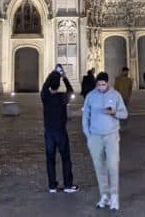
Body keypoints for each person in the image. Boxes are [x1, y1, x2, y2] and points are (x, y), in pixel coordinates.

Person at [82, 71, 127, 211]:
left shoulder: (115, 95)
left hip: (111, 136)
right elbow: (85, 116)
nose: (101, 87)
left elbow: (124, 114)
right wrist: (88, 135)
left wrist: (114, 112)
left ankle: (114, 196)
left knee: (113, 165)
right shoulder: (90, 96)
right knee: (99, 166)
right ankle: (104, 195)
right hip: (95, 137)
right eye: (99, 84)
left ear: (108, 83)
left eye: (103, 84)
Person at [41, 69, 78, 193]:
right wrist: (64, 77)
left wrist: (52, 74)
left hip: (49, 133)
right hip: (61, 132)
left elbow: (44, 87)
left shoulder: (45, 97)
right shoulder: (62, 98)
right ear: (58, 84)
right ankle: (68, 185)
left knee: (50, 160)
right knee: (66, 158)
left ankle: (52, 186)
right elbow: (71, 90)